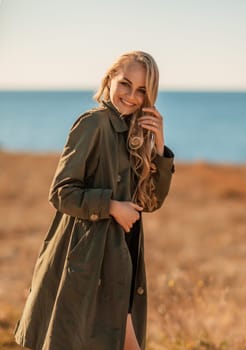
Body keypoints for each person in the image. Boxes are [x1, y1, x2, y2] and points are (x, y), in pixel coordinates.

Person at [14, 50, 175, 350]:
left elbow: (150, 203)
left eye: (141, 90)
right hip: (88, 262)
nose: (130, 96)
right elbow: (61, 192)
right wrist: (112, 206)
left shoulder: (134, 133)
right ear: (110, 78)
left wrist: (160, 149)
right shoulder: (94, 123)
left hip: (120, 262)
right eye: (125, 83)